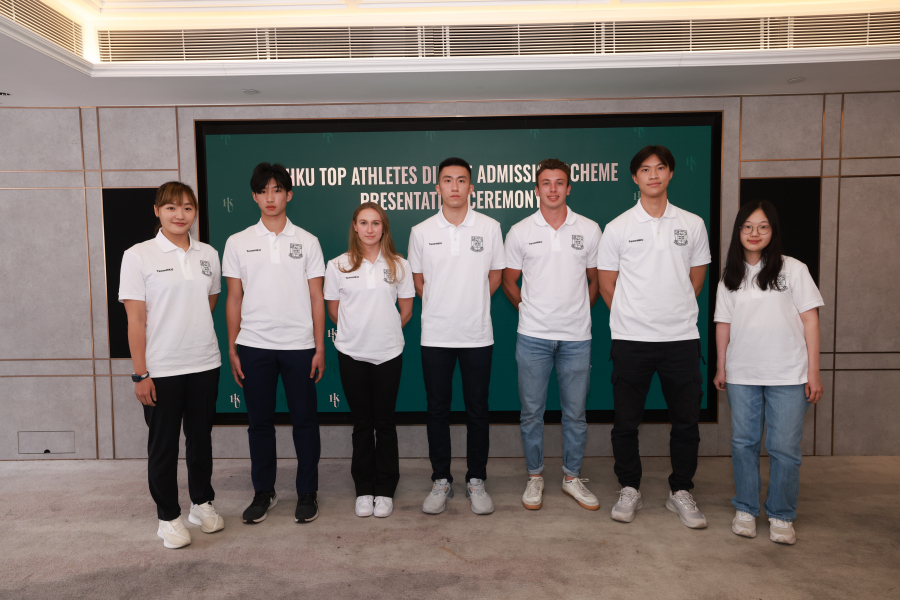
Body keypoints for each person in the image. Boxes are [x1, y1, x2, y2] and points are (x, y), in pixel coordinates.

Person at [597, 145, 712, 528]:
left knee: (686, 423)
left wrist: (671, 312)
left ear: (670, 173)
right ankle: (629, 487)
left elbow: (696, 280)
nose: (653, 175)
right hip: (631, 340)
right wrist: (635, 317)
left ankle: (681, 491)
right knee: (626, 423)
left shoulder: (692, 224)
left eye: (660, 168)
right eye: (645, 170)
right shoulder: (618, 227)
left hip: (681, 340)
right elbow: (607, 285)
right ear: (635, 177)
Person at [119, 181, 224, 549]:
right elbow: (135, 320)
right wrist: (141, 373)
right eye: (171, 207)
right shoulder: (138, 255)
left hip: (205, 362)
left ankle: (201, 503)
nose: (180, 215)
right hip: (161, 369)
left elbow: (209, 301)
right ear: (157, 211)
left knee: (201, 440)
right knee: (163, 447)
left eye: (187, 208)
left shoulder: (209, 254)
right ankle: (168, 517)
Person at [714, 200, 824, 545]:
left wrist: (814, 372)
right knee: (743, 444)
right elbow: (723, 323)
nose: (754, 233)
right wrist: (721, 366)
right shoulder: (730, 276)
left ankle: (781, 514)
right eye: (747, 226)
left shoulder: (794, 269)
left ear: (772, 231)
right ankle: (746, 509)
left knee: (784, 448)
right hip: (742, 374)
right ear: (738, 231)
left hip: (789, 375)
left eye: (762, 226)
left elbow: (810, 320)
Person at [222, 162, 326, 525]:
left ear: (289, 195)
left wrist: (319, 348)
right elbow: (234, 298)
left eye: (277, 190)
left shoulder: (308, 241)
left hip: (300, 346)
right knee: (259, 423)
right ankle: (263, 491)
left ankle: (307, 493)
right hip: (254, 345)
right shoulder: (237, 242)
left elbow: (317, 297)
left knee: (305, 422)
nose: (270, 197)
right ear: (254, 196)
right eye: (263, 190)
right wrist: (233, 348)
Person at [501, 158, 602, 512]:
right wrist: (527, 310)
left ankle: (572, 478)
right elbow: (508, 281)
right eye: (546, 183)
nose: (553, 189)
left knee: (575, 414)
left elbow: (595, 279)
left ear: (569, 187)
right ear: (537, 189)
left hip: (577, 338)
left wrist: (580, 311)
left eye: (560, 182)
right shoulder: (520, 231)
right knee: (532, 413)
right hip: (533, 337)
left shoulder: (589, 229)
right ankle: (535, 476)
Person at [408, 157, 506, 515]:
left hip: (477, 334)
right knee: (437, 409)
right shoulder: (421, 231)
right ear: (438, 187)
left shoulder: (490, 227)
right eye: (447, 180)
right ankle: (441, 480)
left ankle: (476, 479)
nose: (454, 186)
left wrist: (471, 302)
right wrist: (443, 304)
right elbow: (418, 281)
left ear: (471, 187)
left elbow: (496, 276)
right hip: (436, 335)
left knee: (478, 409)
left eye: (461, 180)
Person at [324, 203, 415, 519]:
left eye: (376, 223)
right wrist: (358, 332)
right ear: (354, 226)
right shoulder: (338, 265)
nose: (370, 229)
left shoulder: (400, 265)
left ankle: (385, 489)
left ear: (384, 227)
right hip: (352, 354)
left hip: (389, 353)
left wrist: (383, 331)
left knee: (385, 423)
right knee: (362, 423)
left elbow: (406, 310)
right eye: (363, 223)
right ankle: (364, 489)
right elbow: (334, 310)